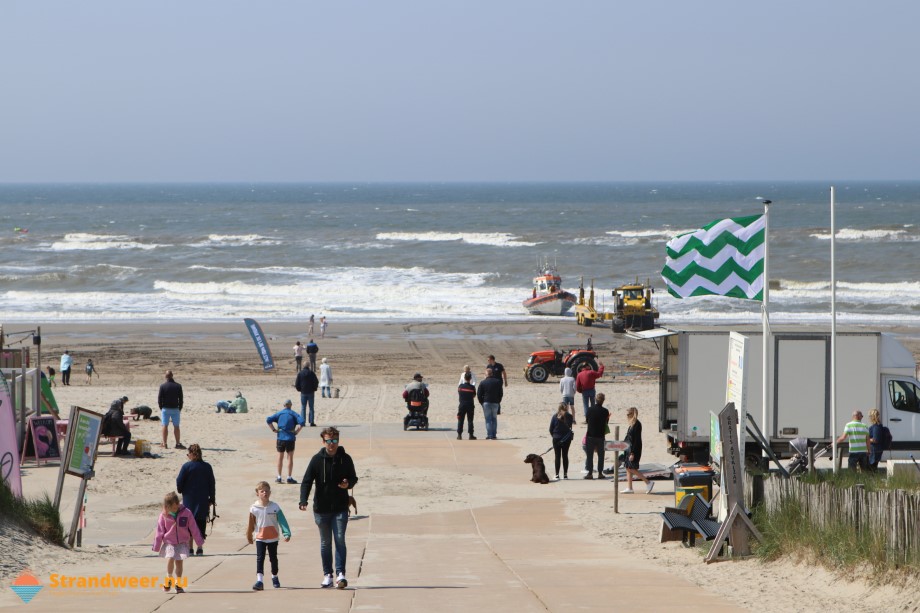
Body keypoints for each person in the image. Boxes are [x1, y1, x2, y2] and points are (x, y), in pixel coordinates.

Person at [299, 426, 358, 590]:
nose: (331, 444)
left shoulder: (345, 459)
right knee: (325, 543)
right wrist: (303, 500)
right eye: (328, 441)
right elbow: (307, 481)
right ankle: (328, 575)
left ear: (338, 441)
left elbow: (353, 478)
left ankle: (341, 575)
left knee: (339, 539)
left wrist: (348, 483)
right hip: (321, 508)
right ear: (323, 441)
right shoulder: (317, 459)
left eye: (334, 441)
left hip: (340, 507)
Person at [152, 491, 204, 594]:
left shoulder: (187, 513)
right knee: (170, 557)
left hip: (182, 542)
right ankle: (168, 579)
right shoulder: (164, 515)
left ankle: (178, 584)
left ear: (177, 503)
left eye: (174, 508)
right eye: (169, 508)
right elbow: (160, 530)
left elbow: (193, 528)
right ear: (166, 506)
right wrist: (157, 545)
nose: (172, 510)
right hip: (169, 542)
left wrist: (199, 541)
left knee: (179, 562)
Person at [247, 481, 291, 590]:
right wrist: (249, 536)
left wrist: (286, 533)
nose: (264, 493)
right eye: (262, 491)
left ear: (270, 493)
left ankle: (274, 576)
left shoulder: (275, 507)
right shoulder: (254, 508)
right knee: (260, 558)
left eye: (266, 491)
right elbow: (251, 524)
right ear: (257, 493)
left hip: (273, 538)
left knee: (273, 559)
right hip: (260, 538)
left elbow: (282, 521)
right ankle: (259, 581)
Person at [176, 443, 216, 555]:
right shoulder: (207, 467)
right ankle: (200, 547)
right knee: (200, 522)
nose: (187, 456)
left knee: (189, 522)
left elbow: (179, 481)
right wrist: (211, 499)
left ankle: (190, 548)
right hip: (203, 499)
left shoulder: (186, 466)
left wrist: (181, 490)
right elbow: (212, 483)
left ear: (192, 454)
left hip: (189, 498)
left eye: (188, 454)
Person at [266, 400, 305, 484]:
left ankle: (279, 477)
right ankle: (289, 477)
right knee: (290, 458)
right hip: (290, 438)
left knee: (280, 457)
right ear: (291, 405)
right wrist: (297, 431)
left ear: (284, 405)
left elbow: (268, 420)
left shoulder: (279, 413)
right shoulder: (293, 413)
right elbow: (302, 422)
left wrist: (273, 429)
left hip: (281, 437)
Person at [621, 407, 654, 494]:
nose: (627, 416)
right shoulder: (632, 424)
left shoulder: (637, 424)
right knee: (628, 468)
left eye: (628, 414)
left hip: (634, 449)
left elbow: (636, 440)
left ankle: (648, 482)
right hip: (629, 449)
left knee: (632, 468)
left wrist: (632, 453)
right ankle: (629, 488)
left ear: (632, 414)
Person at [583, 392, 610, 480]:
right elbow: (606, 423)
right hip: (601, 436)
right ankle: (600, 473)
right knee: (601, 455)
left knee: (590, 455)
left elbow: (587, 420)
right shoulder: (605, 411)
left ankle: (590, 473)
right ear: (603, 401)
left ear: (595, 399)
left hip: (590, 435)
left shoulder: (590, 410)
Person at [158, 370, 185, 450]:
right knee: (176, 426)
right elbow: (181, 398)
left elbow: (160, 398)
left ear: (166, 376)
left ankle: (165, 443)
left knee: (164, 425)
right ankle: (177, 443)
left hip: (166, 408)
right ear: (172, 375)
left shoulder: (162, 386)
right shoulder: (178, 386)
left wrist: (161, 407)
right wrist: (179, 408)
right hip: (175, 408)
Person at [549, 402, 575, 480]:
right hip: (566, 438)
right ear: (566, 408)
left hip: (556, 438)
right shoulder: (569, 416)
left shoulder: (555, 416)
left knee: (557, 456)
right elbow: (570, 426)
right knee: (565, 455)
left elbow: (551, 429)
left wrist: (554, 436)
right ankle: (565, 474)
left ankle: (557, 474)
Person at [477, 367, 504, 440]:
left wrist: (481, 402)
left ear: (486, 374)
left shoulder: (483, 382)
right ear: (492, 374)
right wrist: (498, 401)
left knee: (488, 419)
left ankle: (490, 435)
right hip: (495, 402)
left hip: (486, 402)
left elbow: (479, 394)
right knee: (494, 419)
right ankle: (494, 435)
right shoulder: (498, 382)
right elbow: (501, 393)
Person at [457, 371, 477, 440]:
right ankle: (471, 435)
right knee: (470, 420)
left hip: (462, 405)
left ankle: (459, 435)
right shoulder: (472, 387)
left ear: (464, 378)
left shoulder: (460, 386)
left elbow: (459, 392)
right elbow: (474, 395)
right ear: (470, 378)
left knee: (460, 420)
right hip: (470, 405)